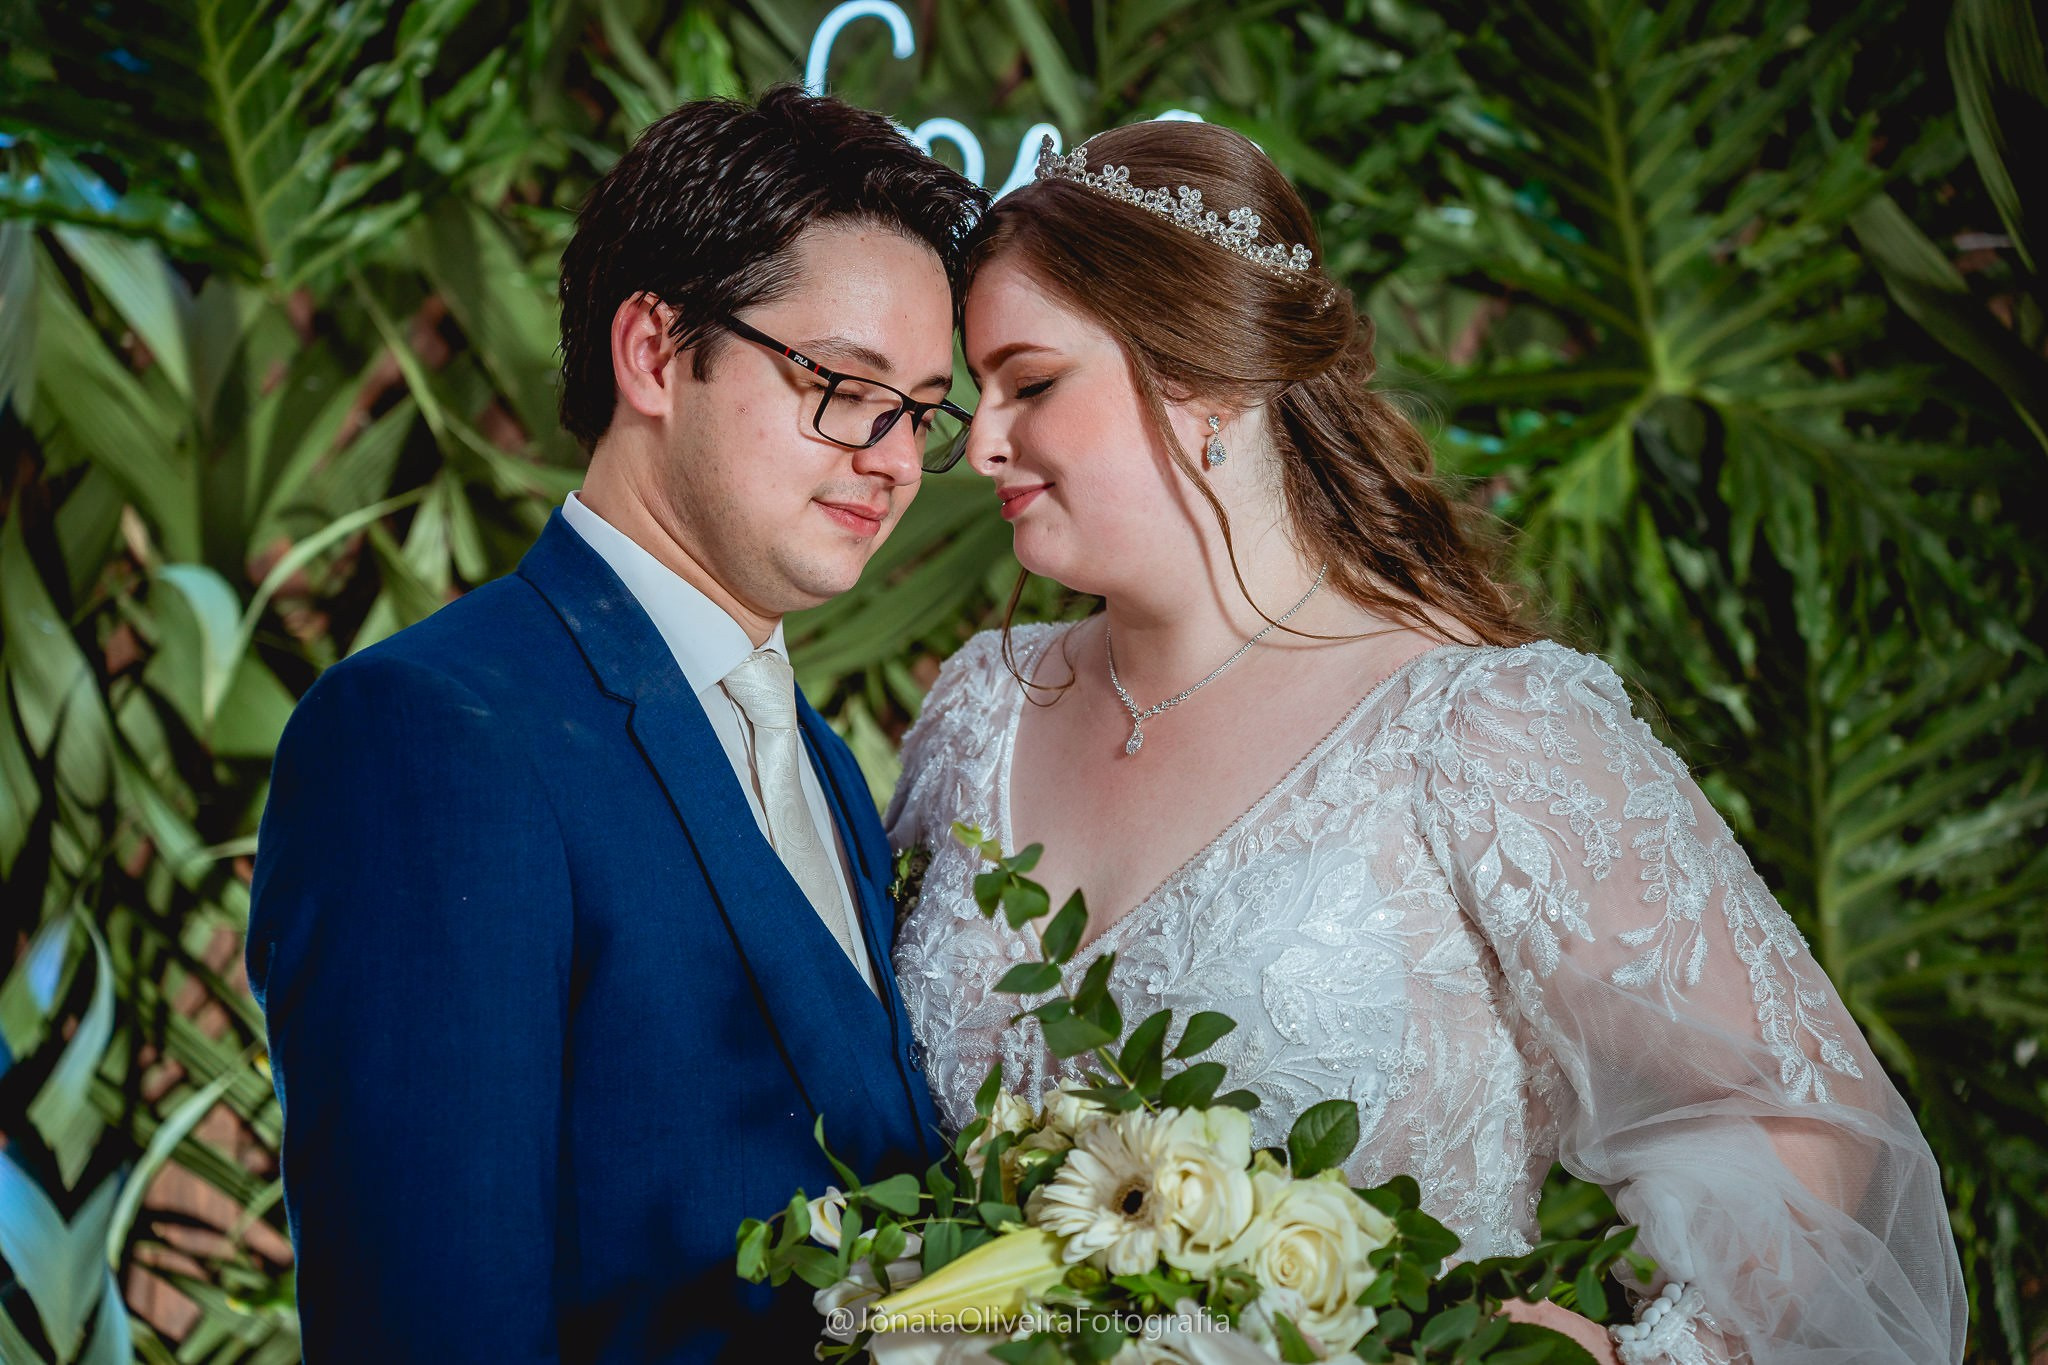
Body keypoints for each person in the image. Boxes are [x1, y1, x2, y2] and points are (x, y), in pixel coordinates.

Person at [885, 122, 1966, 1364]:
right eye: (977, 396)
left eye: (1030, 384)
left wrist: (1646, 1357)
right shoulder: (980, 711)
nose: (976, 443)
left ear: (1202, 378)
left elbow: (1799, 1112)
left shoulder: (1476, 730)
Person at [246, 86, 984, 1361]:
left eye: (920, 408)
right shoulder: (429, 735)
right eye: (842, 384)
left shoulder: (820, 759)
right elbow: (427, 1320)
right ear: (653, 352)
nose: (896, 458)